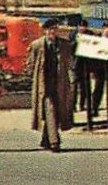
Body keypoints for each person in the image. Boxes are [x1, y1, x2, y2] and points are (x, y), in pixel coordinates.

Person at [27, 18, 74, 152]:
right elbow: (30, 63)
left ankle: (46, 138)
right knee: (50, 108)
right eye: (50, 29)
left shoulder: (64, 44)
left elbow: (69, 61)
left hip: (60, 83)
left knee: (58, 111)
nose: (53, 32)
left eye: (55, 29)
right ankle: (54, 141)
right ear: (45, 31)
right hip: (44, 84)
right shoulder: (37, 45)